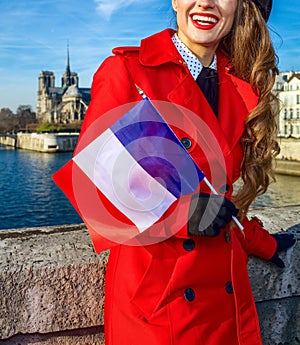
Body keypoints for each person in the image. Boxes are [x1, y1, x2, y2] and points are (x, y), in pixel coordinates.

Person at [73, 0, 296, 344]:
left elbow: (220, 203)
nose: (206, 2)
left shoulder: (237, 84)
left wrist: (262, 242)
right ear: (175, 1)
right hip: (164, 309)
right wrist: (180, 214)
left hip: (226, 301)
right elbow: (92, 185)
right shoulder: (128, 73)